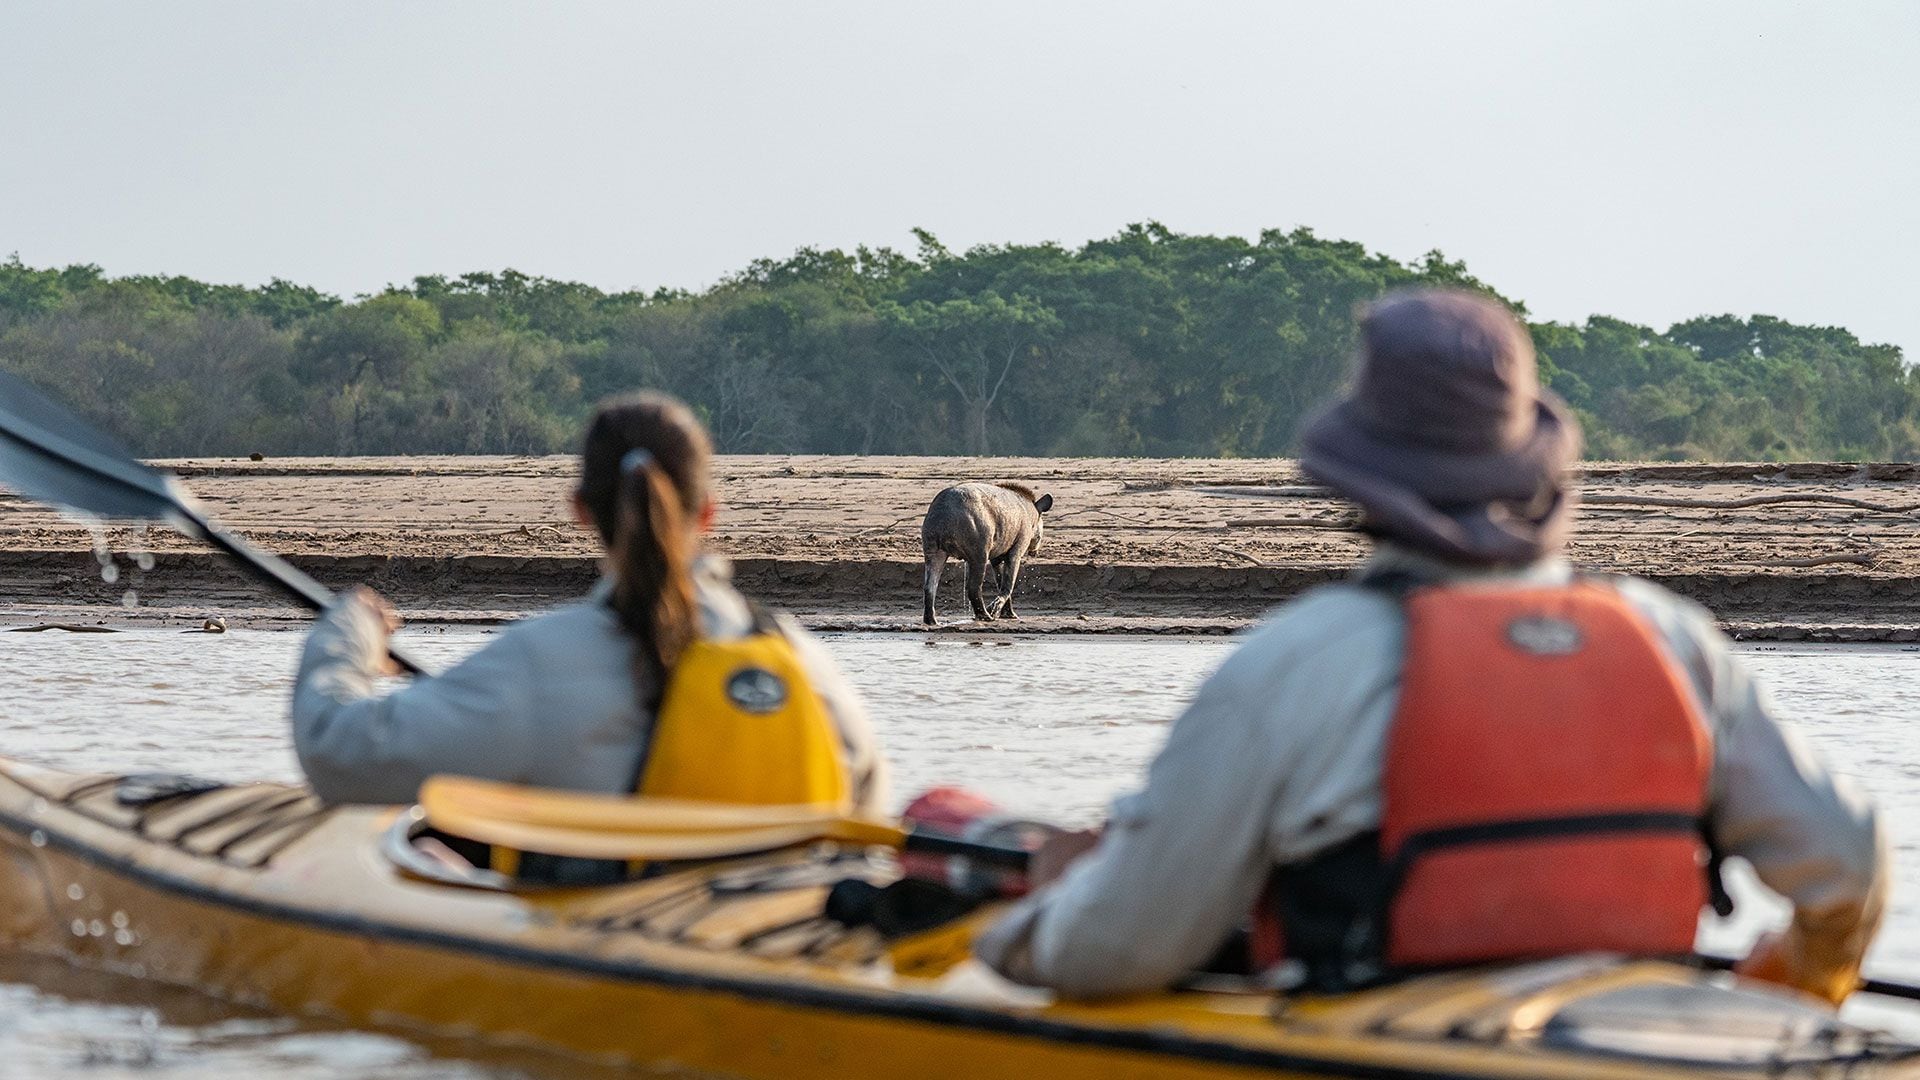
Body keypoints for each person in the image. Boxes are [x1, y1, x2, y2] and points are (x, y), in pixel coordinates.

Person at [974, 290, 1884, 1006]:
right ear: (1535, 465)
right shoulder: (1671, 638)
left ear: (1358, 478)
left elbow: (1121, 949)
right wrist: (1800, 982)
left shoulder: (1295, 663)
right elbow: (1848, 860)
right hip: (1630, 1032)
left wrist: (1021, 924)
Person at [290, 391, 888, 818]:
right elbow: (865, 797)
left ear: (579, 511)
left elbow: (337, 754)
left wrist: (346, 641)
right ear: (707, 512)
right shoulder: (793, 651)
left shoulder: (539, 663)